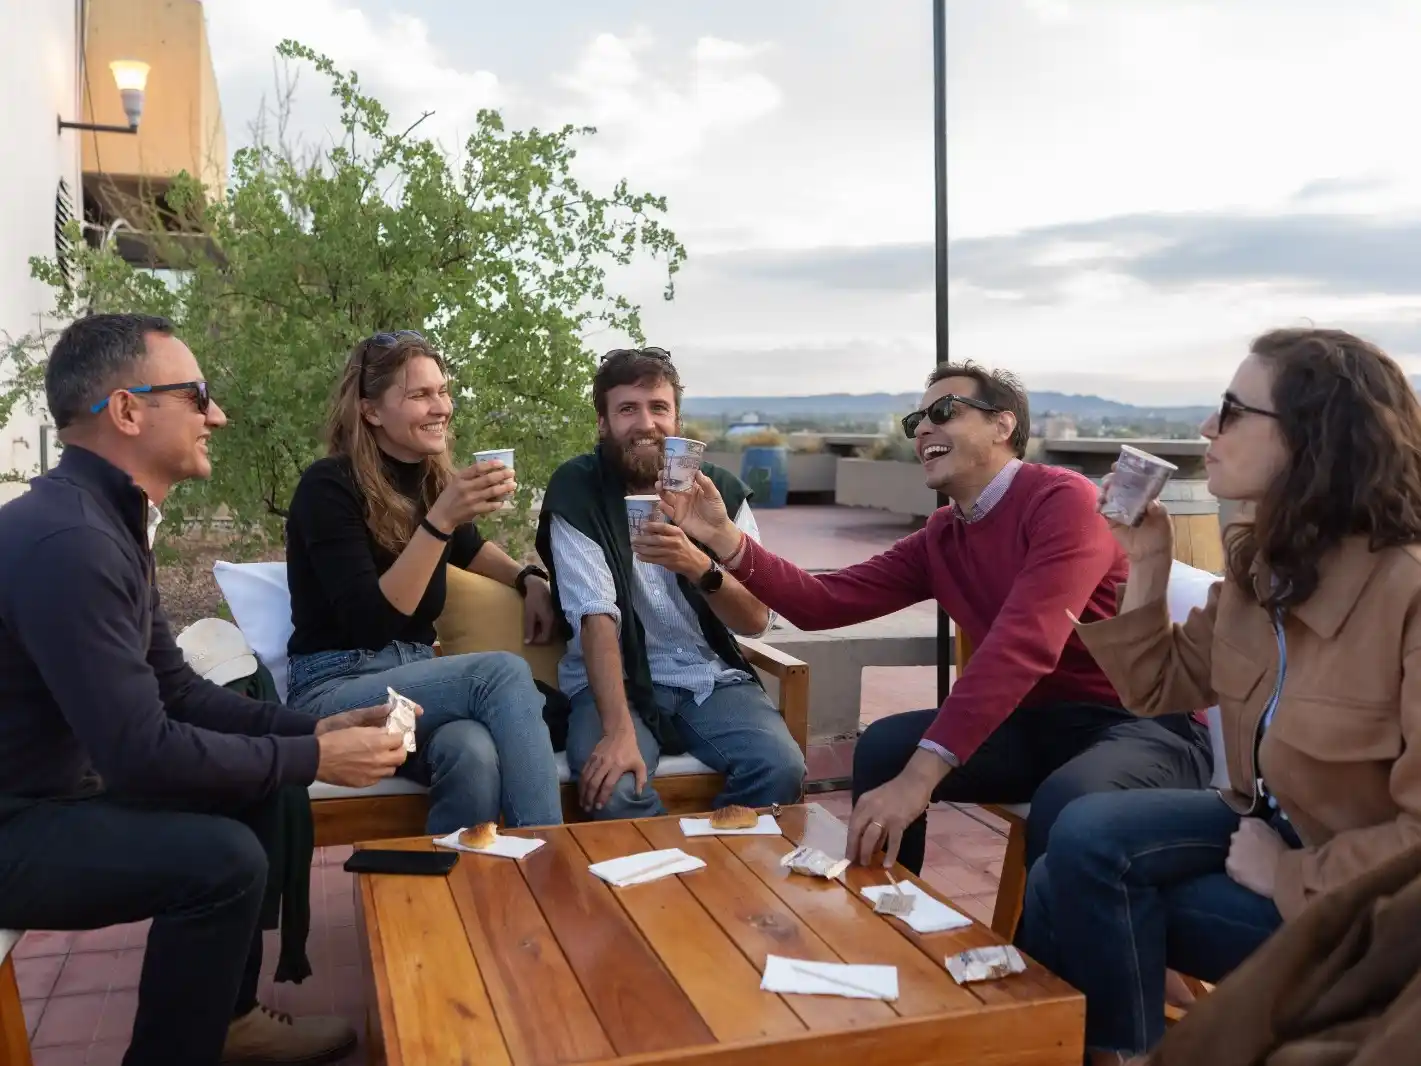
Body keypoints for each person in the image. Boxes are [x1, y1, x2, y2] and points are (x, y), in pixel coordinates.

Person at [0, 313, 407, 1065]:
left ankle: (230, 1020)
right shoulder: (70, 544)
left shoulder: (104, 523)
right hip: (16, 822)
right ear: (127, 411)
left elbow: (177, 691)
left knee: (257, 786)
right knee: (219, 861)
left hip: (54, 790)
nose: (215, 414)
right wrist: (314, 762)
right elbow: (141, 754)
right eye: (197, 394)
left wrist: (305, 733)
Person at [1016, 328, 1421, 1066]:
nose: (1207, 427)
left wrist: (1290, 874)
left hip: (1365, 909)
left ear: (1311, 438)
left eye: (1231, 411)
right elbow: (1155, 688)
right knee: (1078, 839)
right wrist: (1147, 561)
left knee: (1059, 885)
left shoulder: (1408, 595)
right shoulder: (1268, 572)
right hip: (1262, 820)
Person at [658, 360, 1212, 872]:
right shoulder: (942, 535)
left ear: (1003, 425)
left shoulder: (1064, 501)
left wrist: (922, 778)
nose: (923, 428)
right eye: (915, 419)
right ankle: (891, 917)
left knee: (1067, 804)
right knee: (885, 749)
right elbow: (820, 602)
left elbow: (1025, 642)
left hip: (1139, 725)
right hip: (1039, 725)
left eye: (943, 411)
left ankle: (1040, 971)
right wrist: (720, 535)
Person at [284, 330, 563, 834]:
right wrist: (440, 520)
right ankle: (547, 863)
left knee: (471, 752)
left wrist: (529, 579)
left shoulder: (428, 480)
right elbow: (374, 624)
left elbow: (471, 549)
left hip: (409, 704)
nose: (441, 407)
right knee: (499, 674)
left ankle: (453, 902)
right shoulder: (328, 487)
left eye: (443, 390)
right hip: (341, 700)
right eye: (419, 395)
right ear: (370, 411)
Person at [535, 347, 805, 819]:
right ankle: (663, 882)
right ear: (603, 423)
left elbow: (756, 621)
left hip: (706, 676)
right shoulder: (579, 490)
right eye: (627, 409)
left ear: (677, 420)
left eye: (658, 408)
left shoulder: (715, 491)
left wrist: (698, 567)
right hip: (614, 683)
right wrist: (617, 732)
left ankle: (716, 877)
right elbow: (596, 619)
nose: (646, 423)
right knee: (614, 789)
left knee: (779, 767)